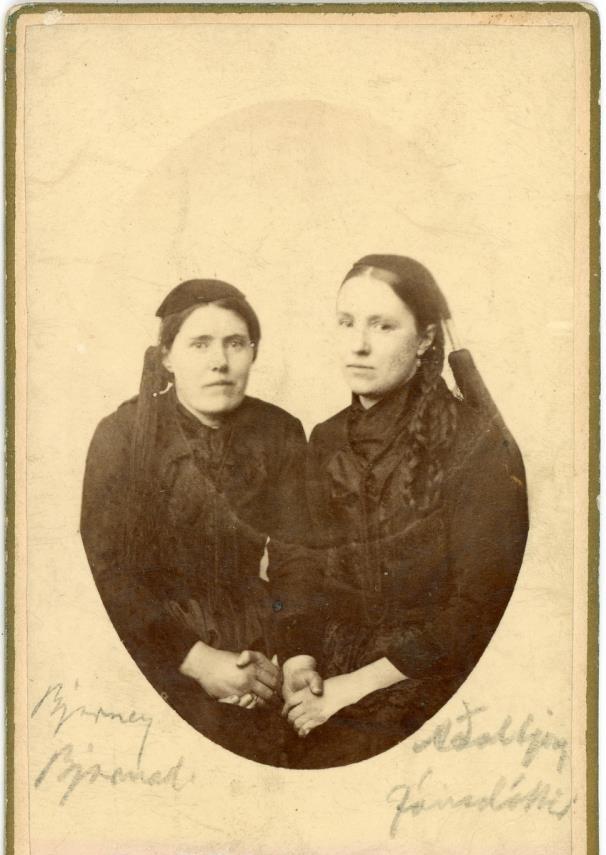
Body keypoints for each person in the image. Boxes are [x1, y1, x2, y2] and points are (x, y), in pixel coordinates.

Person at [284, 255, 529, 768]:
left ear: (424, 339)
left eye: (383, 326)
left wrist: (353, 687)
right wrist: (299, 660)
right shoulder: (326, 439)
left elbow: (479, 605)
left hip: (433, 672)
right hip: (330, 664)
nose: (358, 344)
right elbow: (301, 561)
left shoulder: (475, 444)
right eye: (346, 322)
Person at [81, 278, 318, 767]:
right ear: (167, 356)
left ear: (253, 352)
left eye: (235, 343)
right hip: (155, 642)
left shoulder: (279, 431)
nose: (220, 361)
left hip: (258, 641)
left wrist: (293, 657)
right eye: (200, 344)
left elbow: (298, 556)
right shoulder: (121, 435)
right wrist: (200, 662)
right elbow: (108, 574)